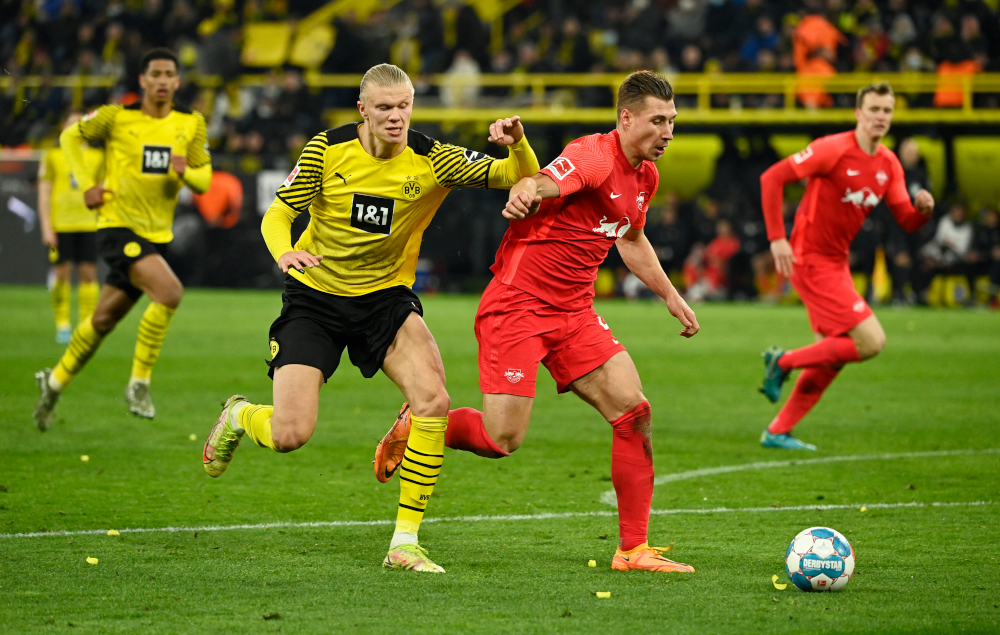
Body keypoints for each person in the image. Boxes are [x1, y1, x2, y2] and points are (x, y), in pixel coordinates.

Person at [201, 64, 539, 574]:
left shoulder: (433, 158)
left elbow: (517, 175)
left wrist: (518, 143)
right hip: (315, 297)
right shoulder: (325, 149)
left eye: (404, 106)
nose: (396, 116)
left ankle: (405, 543)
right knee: (291, 433)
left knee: (433, 399)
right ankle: (239, 415)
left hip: (385, 301)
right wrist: (283, 253)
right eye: (384, 107)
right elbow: (277, 213)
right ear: (363, 110)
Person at [374, 70, 701, 574]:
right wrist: (527, 190)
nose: (668, 132)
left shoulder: (646, 177)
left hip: (575, 313)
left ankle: (632, 550)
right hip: (517, 308)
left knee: (633, 412)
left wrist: (671, 296)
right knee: (502, 440)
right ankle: (420, 423)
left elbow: (630, 239)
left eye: (672, 121)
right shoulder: (594, 154)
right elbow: (547, 179)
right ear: (627, 117)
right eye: (658, 121)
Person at [33, 48, 211, 430]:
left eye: (169, 74)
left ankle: (53, 383)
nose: (163, 80)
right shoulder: (116, 117)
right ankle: (139, 383)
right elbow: (68, 136)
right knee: (169, 292)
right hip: (117, 226)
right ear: (143, 81)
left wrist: (185, 173)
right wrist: (87, 183)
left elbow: (204, 179)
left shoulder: (191, 123)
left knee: (102, 320)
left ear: (177, 82)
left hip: (155, 235)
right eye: (156, 73)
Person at [757, 82, 934, 450]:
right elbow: (772, 177)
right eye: (874, 109)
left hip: (836, 263)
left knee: (832, 354)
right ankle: (783, 362)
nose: (880, 117)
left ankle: (777, 432)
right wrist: (777, 238)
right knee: (871, 341)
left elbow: (906, 219)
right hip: (809, 259)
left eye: (887, 111)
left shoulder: (888, 164)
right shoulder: (832, 150)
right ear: (858, 113)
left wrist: (923, 211)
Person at [38, 111, 104, 344]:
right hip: (61, 223)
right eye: (71, 122)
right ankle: (63, 325)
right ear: (63, 127)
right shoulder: (53, 155)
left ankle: (86, 325)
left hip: (88, 223)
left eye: (80, 123)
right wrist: (46, 226)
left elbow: (104, 188)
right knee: (61, 274)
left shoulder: (97, 157)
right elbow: (44, 191)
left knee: (88, 274)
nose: (76, 127)